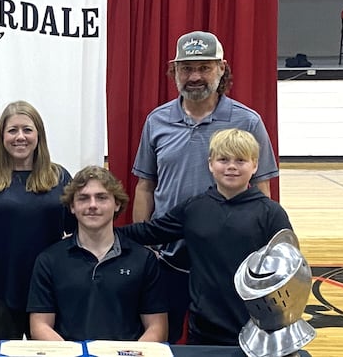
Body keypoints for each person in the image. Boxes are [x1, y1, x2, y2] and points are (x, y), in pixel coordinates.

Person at [131, 30, 279, 343]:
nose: (195, 76)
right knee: (160, 338)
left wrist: (260, 253)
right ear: (174, 72)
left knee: (220, 341)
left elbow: (261, 190)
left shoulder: (247, 121)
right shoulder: (157, 121)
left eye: (204, 68)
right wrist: (145, 249)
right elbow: (145, 186)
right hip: (167, 258)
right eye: (186, 68)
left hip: (226, 261)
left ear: (221, 69)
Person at [120, 128, 293, 346]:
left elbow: (288, 271)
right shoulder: (194, 208)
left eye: (241, 160)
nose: (231, 166)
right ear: (210, 164)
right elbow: (149, 232)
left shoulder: (270, 213)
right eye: (223, 159)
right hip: (204, 328)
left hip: (257, 329)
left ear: (255, 165)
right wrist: (101, 232)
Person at [0, 100, 72, 341]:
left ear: (38, 135)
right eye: (12, 130)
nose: (20, 137)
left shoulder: (59, 178)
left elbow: (77, 234)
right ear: (1, 136)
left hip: (50, 291)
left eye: (27, 130)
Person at [27, 165, 167, 342]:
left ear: (117, 204)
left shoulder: (144, 259)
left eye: (101, 198)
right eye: (83, 198)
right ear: (72, 206)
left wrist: (130, 354)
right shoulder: (49, 260)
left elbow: (157, 327)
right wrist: (71, 354)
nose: (92, 205)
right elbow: (40, 326)